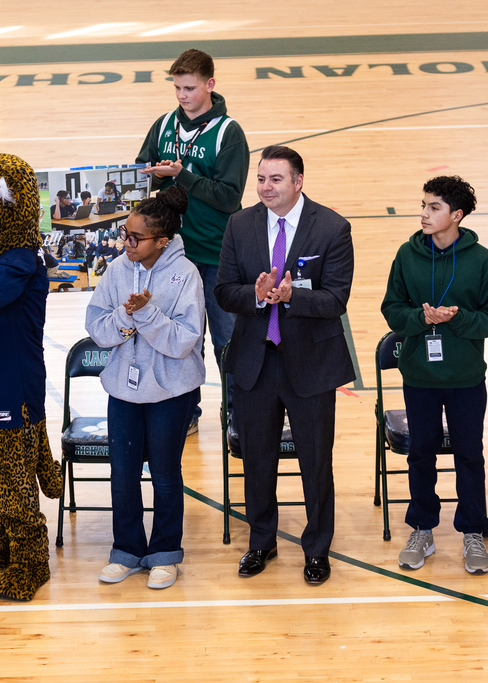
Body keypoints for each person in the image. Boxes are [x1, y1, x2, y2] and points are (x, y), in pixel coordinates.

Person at [215, 145, 353, 585]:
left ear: (298, 182)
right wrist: (256, 295)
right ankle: (261, 542)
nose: (265, 187)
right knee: (257, 459)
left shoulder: (332, 228)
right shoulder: (240, 224)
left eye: (276, 179)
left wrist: (294, 297)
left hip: (311, 364)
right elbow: (223, 291)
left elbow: (335, 300)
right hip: (256, 361)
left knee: (315, 460)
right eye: (261, 179)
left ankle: (316, 549)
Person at [380, 176, 488, 575]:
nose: (424, 214)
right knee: (421, 453)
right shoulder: (407, 254)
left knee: (470, 454)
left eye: (434, 207)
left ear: (457, 215)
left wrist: (457, 318)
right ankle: (422, 528)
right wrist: (420, 318)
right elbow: (392, 308)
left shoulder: (481, 259)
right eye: (423, 205)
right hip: (419, 375)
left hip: (466, 375)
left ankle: (472, 531)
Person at [85, 185, 206, 590]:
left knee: (166, 473)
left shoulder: (185, 275)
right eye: (125, 234)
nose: (127, 243)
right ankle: (127, 551)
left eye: (136, 238)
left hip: (172, 391)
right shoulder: (118, 270)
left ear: (162, 241)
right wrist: (125, 315)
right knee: (122, 473)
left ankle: (165, 554)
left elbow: (183, 341)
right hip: (123, 389)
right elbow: (98, 329)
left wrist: (147, 314)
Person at [137, 48, 250, 434]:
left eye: (189, 87)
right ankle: (186, 412)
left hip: (218, 254)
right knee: (181, 339)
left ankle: (237, 413)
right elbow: (142, 174)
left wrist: (181, 175)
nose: (182, 95)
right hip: (171, 255)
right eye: (177, 87)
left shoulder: (228, 132)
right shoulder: (165, 124)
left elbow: (229, 198)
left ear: (210, 85)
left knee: (226, 339)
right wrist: (152, 176)